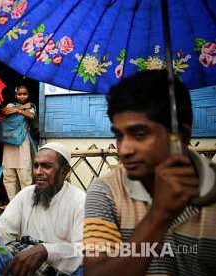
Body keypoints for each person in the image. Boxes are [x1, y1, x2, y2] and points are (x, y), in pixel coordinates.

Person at [83, 70, 216, 276]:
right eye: (119, 135)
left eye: (140, 134)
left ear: (181, 136)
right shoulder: (107, 191)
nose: (124, 149)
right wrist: (159, 214)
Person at [0, 142, 85, 276]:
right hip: (24, 265)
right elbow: (2, 233)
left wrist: (47, 251)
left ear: (64, 171)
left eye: (46, 166)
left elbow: (84, 250)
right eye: (36, 166)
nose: (38, 172)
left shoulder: (80, 202)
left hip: (59, 269)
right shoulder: (26, 194)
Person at [0, 85, 36, 200]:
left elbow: (31, 115)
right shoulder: (11, 105)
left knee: (25, 173)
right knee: (9, 174)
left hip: (22, 142)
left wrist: (19, 110)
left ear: (28, 95)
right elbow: (6, 111)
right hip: (9, 141)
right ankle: (12, 202)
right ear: (15, 95)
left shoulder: (31, 107)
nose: (22, 96)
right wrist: (22, 108)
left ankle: (26, 202)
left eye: (24, 94)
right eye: (19, 94)